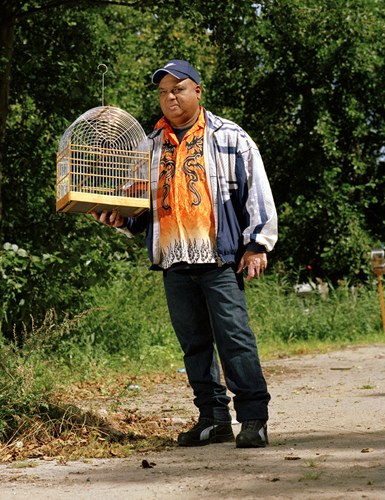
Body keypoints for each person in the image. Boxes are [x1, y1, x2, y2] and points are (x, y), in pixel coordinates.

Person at [92, 59, 277, 448]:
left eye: (177, 89)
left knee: (234, 338)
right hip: (172, 258)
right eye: (163, 92)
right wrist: (117, 218)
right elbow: (139, 207)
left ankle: (254, 418)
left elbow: (256, 189)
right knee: (193, 343)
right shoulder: (148, 146)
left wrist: (258, 244)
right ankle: (212, 418)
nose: (170, 97)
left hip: (219, 258)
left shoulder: (230, 137)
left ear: (197, 91)